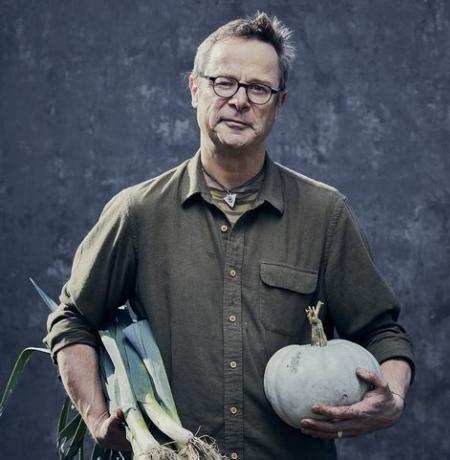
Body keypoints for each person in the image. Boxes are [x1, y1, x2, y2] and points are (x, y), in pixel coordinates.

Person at [44, 12, 415, 460]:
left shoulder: (325, 215)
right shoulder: (137, 212)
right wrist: (98, 419)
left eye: (258, 88)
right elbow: (73, 320)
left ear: (279, 104)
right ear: (195, 89)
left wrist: (390, 398)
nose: (239, 100)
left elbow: (381, 331)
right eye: (224, 82)